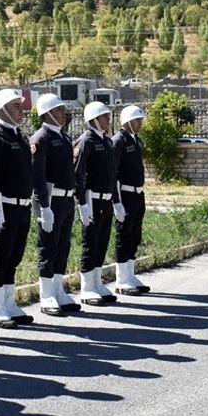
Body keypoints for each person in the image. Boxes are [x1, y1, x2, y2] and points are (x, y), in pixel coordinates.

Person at [0, 88, 36, 328]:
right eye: (15, 106)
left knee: (14, 257)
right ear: (2, 109)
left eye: (20, 105)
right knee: (0, 257)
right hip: (4, 207)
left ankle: (9, 302)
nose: (21, 110)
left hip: (22, 207)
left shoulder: (20, 136)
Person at [30, 93, 77, 317]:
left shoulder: (64, 137)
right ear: (47, 113)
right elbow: (37, 175)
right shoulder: (41, 138)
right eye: (58, 109)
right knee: (48, 246)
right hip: (51, 200)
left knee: (63, 245)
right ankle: (46, 294)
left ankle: (58, 289)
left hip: (66, 199)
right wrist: (44, 206)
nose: (63, 113)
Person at [73, 101, 123, 305]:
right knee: (90, 242)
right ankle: (87, 287)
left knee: (102, 241)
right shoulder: (86, 141)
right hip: (92, 199)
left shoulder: (107, 141)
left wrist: (116, 201)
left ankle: (97, 281)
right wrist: (82, 203)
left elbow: (112, 175)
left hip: (106, 199)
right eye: (104, 117)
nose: (108, 120)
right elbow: (78, 173)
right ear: (93, 119)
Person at [112, 104, 151, 294]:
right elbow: (114, 174)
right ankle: (121, 279)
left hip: (138, 193)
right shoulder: (118, 140)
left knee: (135, 235)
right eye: (137, 120)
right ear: (127, 121)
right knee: (124, 235)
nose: (140, 124)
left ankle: (130, 274)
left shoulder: (136, 140)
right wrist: (116, 202)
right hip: (125, 193)